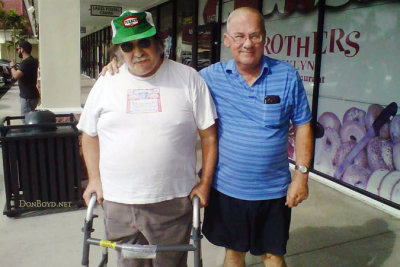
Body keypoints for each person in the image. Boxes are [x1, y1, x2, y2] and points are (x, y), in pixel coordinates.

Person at [102, 7, 313, 267]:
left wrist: (301, 175)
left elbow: (303, 125)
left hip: (273, 190)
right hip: (226, 189)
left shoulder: (287, 75)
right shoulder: (208, 78)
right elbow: (163, 78)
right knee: (233, 253)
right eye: (239, 36)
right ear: (226, 40)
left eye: (255, 35)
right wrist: (120, 65)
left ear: (265, 38)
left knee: (273, 255)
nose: (247, 43)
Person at [77, 10, 217, 267]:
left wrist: (205, 182)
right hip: (119, 201)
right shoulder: (107, 82)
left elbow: (209, 136)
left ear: (158, 41)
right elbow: (89, 134)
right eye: (128, 46)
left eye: (144, 42)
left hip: (172, 202)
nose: (137, 52)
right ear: (119, 51)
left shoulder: (189, 79)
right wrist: (94, 179)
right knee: (130, 264)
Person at [10, 40, 40, 116]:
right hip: (32, 95)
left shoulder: (26, 62)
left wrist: (12, 66)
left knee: (26, 121)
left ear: (22, 49)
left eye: (18, 49)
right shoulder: (33, 61)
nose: (18, 51)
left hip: (27, 97)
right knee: (30, 119)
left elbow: (16, 76)